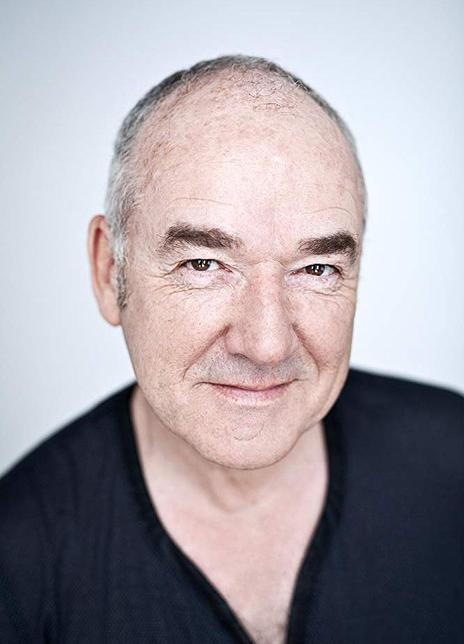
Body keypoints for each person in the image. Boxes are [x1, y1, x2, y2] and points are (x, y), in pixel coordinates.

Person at [0, 55, 463, 644]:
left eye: (316, 268)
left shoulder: (453, 464)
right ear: (109, 271)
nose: (266, 345)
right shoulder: (18, 565)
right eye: (203, 264)